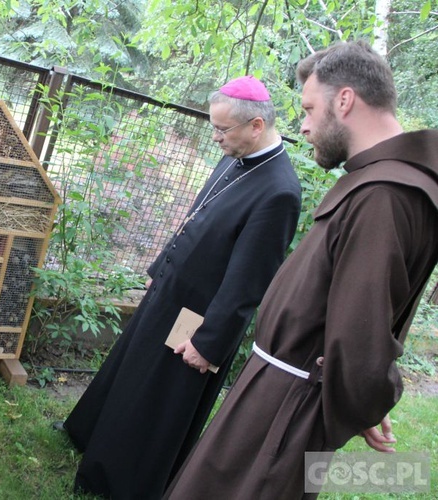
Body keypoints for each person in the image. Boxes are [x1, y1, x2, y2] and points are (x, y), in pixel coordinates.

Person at [165, 41, 438, 500]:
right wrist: (365, 397)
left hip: (288, 404)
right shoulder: (382, 184)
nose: (304, 125)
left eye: (310, 108)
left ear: (345, 100)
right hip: (284, 387)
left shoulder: (385, 195)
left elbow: (363, 330)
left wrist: (367, 396)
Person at [59, 76, 302, 499]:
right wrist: (161, 268)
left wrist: (208, 343)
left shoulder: (280, 191)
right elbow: (197, 217)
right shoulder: (234, 156)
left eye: (222, 130)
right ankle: (89, 437)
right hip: (171, 292)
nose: (215, 138)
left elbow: (247, 282)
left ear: (256, 125)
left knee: (154, 402)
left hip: (198, 317)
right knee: (128, 375)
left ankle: (117, 482)